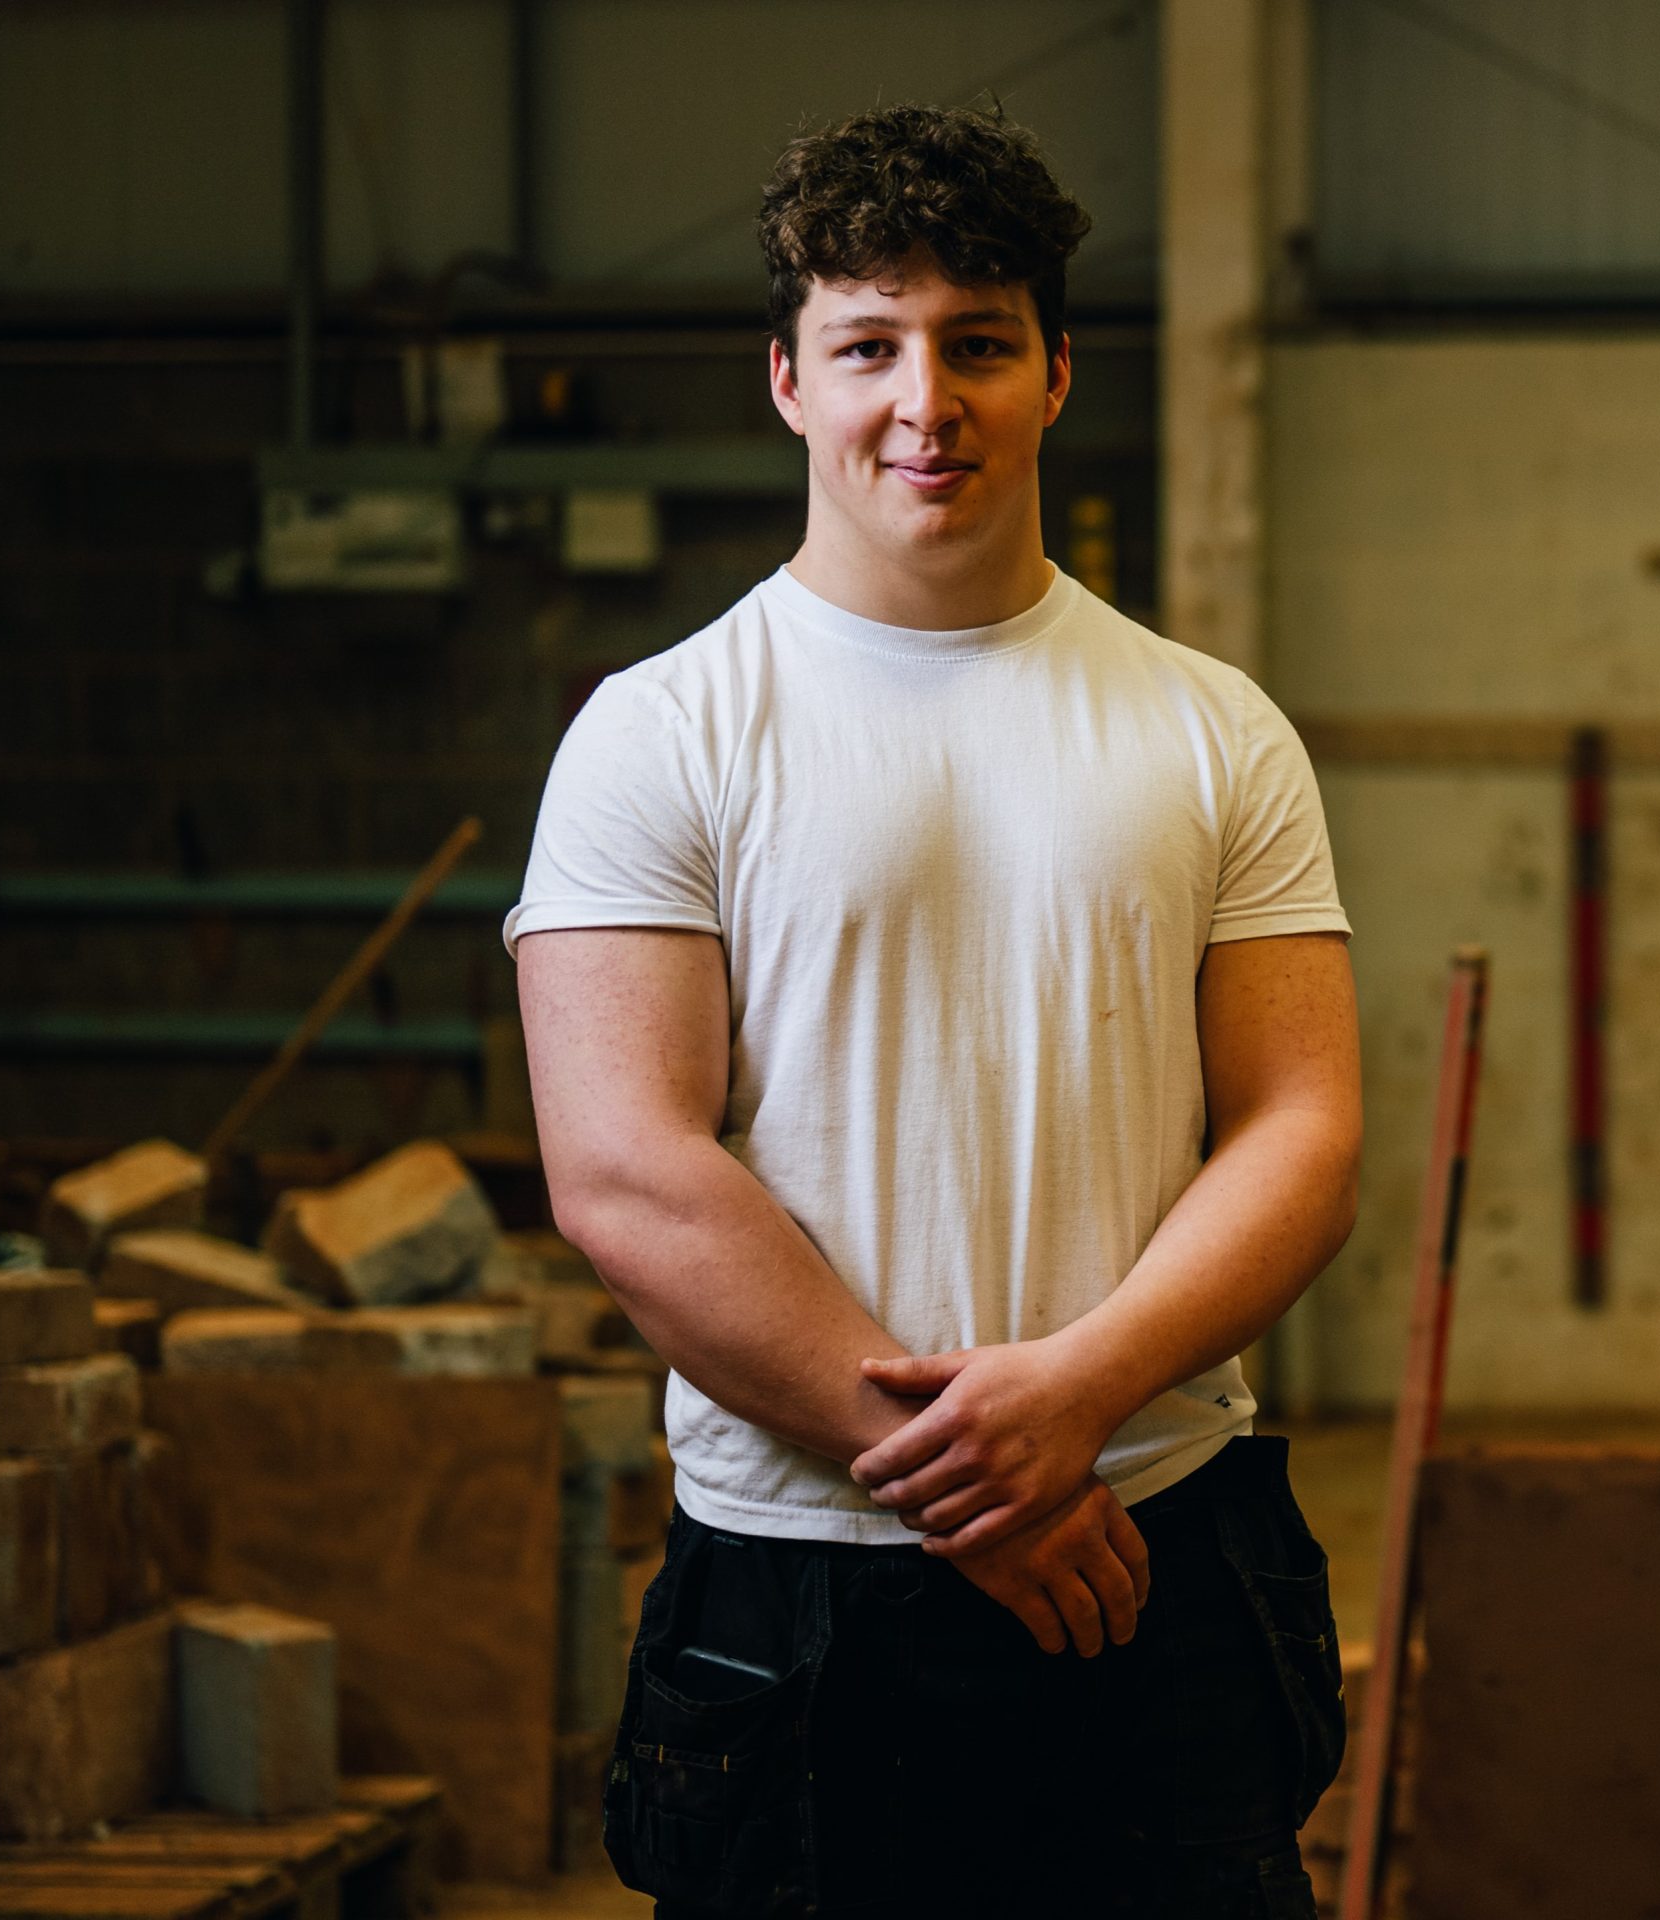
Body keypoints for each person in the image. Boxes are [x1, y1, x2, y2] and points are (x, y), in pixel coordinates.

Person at [506, 102, 1361, 1920]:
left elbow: (1300, 1128)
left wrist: (1081, 1399)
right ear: (788, 379)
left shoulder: (1214, 731)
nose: (924, 399)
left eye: (977, 343)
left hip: (1154, 1541)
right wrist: (978, 1482)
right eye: (869, 344)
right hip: (805, 1587)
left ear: (1055, 372)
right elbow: (626, 1171)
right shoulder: (659, 733)